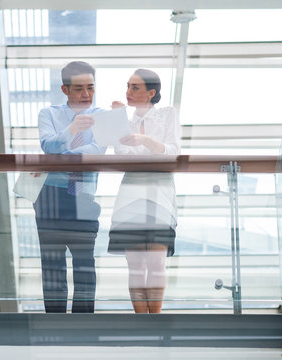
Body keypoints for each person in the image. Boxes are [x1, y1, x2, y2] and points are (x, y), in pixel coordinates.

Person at [33, 61, 106, 313]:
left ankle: (83, 324)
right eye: (78, 89)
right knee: (52, 264)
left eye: (90, 88)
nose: (86, 95)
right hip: (50, 196)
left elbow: (97, 151)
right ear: (65, 90)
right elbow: (48, 146)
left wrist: (63, 153)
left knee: (85, 263)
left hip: (83, 196)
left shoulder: (102, 117)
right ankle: (54, 323)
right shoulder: (49, 114)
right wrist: (72, 128)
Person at [108, 69, 181, 313]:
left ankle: (156, 320)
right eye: (128, 86)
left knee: (157, 262)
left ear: (151, 93)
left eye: (135, 88)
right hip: (131, 196)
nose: (128, 92)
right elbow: (122, 155)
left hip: (159, 196)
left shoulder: (167, 114)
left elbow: (173, 151)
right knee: (136, 266)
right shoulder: (125, 122)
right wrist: (117, 119)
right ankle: (141, 321)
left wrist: (144, 141)